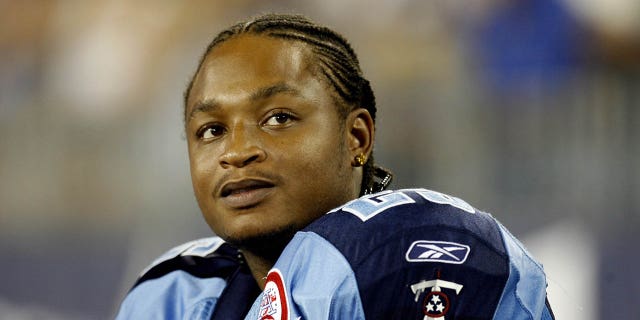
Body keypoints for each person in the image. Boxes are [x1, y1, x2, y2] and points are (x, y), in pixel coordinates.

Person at [116, 13, 554, 320]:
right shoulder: (172, 291)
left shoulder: (417, 243)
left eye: (278, 119)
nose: (237, 151)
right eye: (211, 130)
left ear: (356, 137)